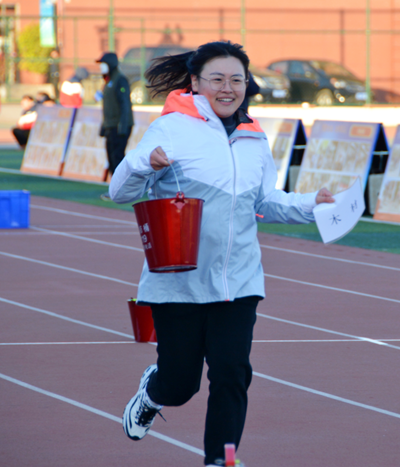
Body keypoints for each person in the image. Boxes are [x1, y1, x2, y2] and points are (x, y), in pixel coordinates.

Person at [110, 41, 335, 467]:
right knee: (180, 385)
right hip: (178, 280)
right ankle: (154, 391)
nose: (228, 88)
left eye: (237, 79)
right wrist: (143, 164)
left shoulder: (254, 136)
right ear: (196, 83)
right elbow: (119, 191)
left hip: (239, 280)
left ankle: (220, 460)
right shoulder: (171, 128)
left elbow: (264, 202)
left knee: (232, 373)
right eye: (217, 79)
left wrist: (312, 204)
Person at [96, 51, 133, 200]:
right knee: (111, 158)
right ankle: (115, 188)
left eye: (103, 64)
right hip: (111, 126)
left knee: (117, 157)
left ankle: (122, 190)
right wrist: (104, 126)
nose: (101, 67)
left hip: (119, 126)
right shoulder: (108, 81)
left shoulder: (120, 80)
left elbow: (125, 104)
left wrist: (122, 126)